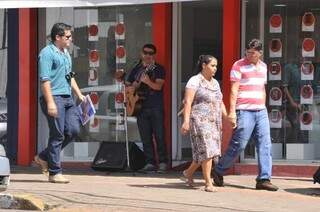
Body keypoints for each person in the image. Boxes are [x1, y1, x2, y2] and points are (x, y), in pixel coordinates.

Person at [212, 39, 279, 191]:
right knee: (239, 144)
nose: (249, 55)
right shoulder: (238, 65)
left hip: (261, 111)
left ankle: (264, 179)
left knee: (265, 144)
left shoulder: (263, 67)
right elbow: (234, 89)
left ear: (260, 53)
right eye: (247, 52)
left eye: (253, 53)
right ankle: (219, 169)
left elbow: (262, 88)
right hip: (244, 110)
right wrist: (232, 112)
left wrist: (263, 106)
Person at [34, 23, 85, 183]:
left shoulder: (65, 53)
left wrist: (79, 94)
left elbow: (70, 75)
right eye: (68, 37)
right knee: (57, 135)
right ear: (58, 37)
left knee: (73, 130)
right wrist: (50, 102)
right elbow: (45, 80)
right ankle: (55, 172)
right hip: (54, 98)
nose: (70, 39)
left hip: (67, 98)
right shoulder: (47, 54)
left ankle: (43, 157)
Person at [180, 55, 227, 192]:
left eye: (216, 66)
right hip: (199, 120)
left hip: (214, 121)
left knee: (204, 151)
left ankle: (188, 173)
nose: (215, 69)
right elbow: (188, 102)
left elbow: (220, 101)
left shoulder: (215, 83)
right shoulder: (195, 81)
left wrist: (227, 117)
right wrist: (186, 121)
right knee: (208, 150)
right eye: (212, 65)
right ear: (204, 65)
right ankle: (208, 183)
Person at [126, 44, 167, 172]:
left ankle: (162, 162)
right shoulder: (136, 69)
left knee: (159, 136)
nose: (148, 55)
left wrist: (148, 82)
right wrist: (132, 87)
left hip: (155, 106)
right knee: (145, 137)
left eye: (151, 53)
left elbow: (158, 87)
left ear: (154, 55)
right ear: (141, 53)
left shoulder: (158, 69)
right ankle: (150, 162)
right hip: (140, 107)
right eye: (146, 53)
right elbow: (128, 86)